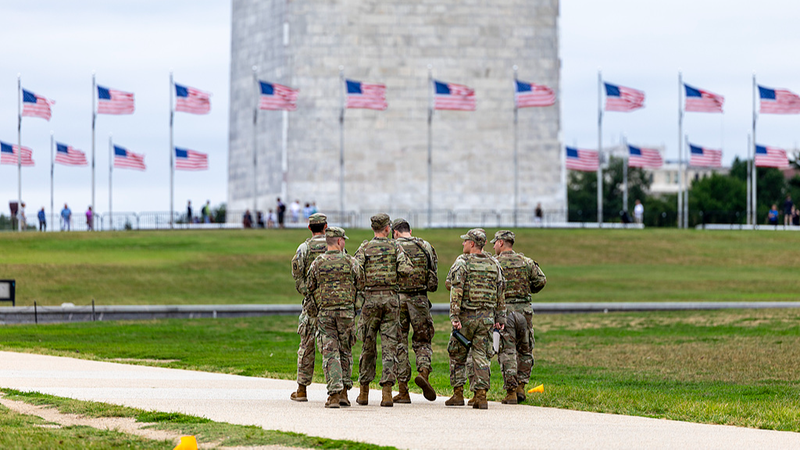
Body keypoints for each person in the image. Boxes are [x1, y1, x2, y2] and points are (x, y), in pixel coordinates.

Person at [354, 213, 413, 407]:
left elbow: (355, 270)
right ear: (387, 228)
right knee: (390, 347)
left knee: (368, 346)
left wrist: (365, 284)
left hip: (370, 299)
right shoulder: (395, 247)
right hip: (390, 299)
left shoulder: (365, 247)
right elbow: (407, 269)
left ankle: (364, 392)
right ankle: (387, 393)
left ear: (373, 228)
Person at [445, 228, 505, 410]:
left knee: (457, 354)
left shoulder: (462, 262)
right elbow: (500, 292)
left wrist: (454, 316)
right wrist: (500, 316)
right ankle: (481, 395)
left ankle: (458, 394)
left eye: (465, 241)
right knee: (481, 355)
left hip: (466, 316)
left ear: (472, 244)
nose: (463, 244)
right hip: (486, 318)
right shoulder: (494, 264)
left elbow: (455, 289)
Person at [306, 226, 364, 408]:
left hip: (325, 313)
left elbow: (309, 287)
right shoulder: (351, 262)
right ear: (339, 241)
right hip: (346, 313)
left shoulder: (318, 262)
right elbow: (361, 284)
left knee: (330, 352)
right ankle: (344, 393)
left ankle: (333, 394)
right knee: (345, 350)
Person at [491, 230, 547, 404]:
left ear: (501, 243)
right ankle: (522, 385)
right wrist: (528, 290)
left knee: (507, 351)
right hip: (524, 311)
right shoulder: (526, 262)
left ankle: (511, 391)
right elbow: (541, 281)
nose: (493, 246)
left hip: (505, 311)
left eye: (495, 243)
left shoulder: (494, 263)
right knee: (525, 349)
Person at [390, 218, 438, 403]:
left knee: (399, 343)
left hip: (398, 299)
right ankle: (424, 374)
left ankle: (403, 390)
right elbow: (433, 271)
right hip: (420, 299)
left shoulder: (393, 246)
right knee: (423, 340)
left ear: (395, 232)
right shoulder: (425, 246)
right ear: (409, 230)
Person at [288, 213, 329, 402]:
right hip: (331, 304)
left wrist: (310, 295)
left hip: (311, 306)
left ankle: (302, 389)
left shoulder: (303, 249)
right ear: (326, 226)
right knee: (334, 346)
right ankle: (338, 390)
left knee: (306, 346)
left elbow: (298, 279)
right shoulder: (334, 246)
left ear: (309, 227)